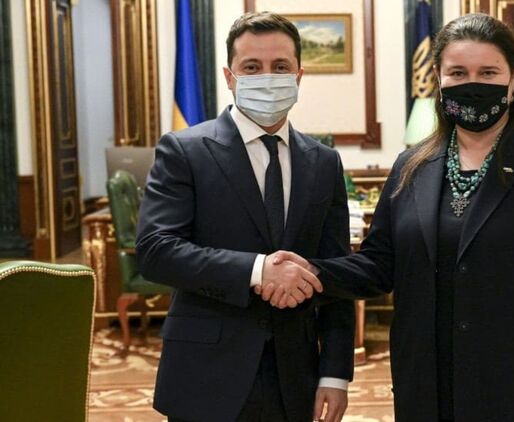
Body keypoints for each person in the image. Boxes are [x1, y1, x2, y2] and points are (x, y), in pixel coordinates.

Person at [264, 13, 514, 422]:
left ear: (513, 78)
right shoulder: (412, 166)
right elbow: (379, 265)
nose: (472, 84)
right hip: (426, 384)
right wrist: (310, 273)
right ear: (439, 79)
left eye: (488, 72)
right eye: (458, 73)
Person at [136, 12, 354, 422]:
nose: (267, 77)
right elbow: (155, 251)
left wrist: (335, 373)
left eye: (280, 67)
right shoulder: (184, 151)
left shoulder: (323, 162)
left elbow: (336, 271)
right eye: (252, 67)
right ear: (230, 76)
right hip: (207, 373)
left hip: (296, 376)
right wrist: (257, 271)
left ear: (299, 76)